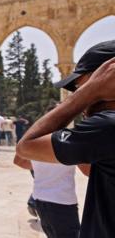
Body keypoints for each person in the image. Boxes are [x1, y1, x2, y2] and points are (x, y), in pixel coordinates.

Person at [16, 40, 115, 238]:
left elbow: (26, 146)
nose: (77, 94)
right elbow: (89, 170)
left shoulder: (107, 126)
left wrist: (88, 93)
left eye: (79, 86)